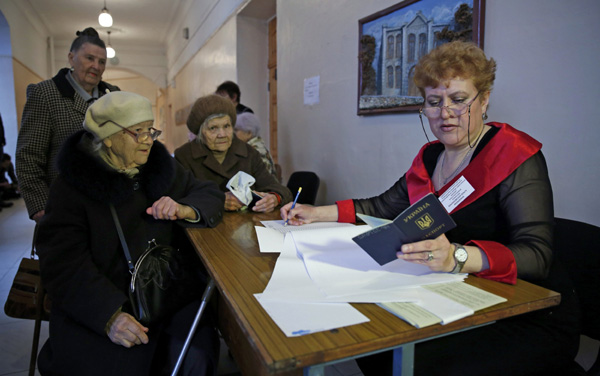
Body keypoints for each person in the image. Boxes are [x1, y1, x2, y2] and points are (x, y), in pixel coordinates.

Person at [281, 41, 582, 375]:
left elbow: (537, 255)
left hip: (526, 311)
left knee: (414, 360)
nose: (445, 112)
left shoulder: (515, 154)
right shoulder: (431, 156)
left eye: (458, 99)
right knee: (377, 343)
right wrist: (314, 212)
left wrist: (457, 257)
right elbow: (381, 205)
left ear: (484, 100)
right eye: (434, 102)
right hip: (459, 293)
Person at [36, 92, 225, 376]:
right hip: (106, 302)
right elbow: (62, 264)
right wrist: (109, 316)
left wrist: (184, 208)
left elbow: (207, 192)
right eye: (139, 132)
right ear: (109, 136)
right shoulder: (71, 188)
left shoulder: (160, 166)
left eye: (151, 129)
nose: (149, 139)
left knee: (195, 358)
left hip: (166, 293)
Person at [16, 27, 119, 223]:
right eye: (89, 58)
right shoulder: (45, 94)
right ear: (72, 58)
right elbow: (28, 157)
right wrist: (42, 209)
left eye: (102, 61)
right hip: (63, 209)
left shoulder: (114, 96)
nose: (96, 66)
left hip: (108, 207)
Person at [175, 94, 292, 213]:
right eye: (213, 128)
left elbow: (278, 189)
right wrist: (218, 200)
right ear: (200, 132)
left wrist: (274, 198)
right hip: (202, 227)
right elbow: (177, 198)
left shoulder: (249, 153)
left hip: (245, 226)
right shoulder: (185, 156)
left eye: (227, 126)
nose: (222, 134)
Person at [234, 112, 278, 180]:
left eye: (236, 130)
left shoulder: (255, 151)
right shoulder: (255, 147)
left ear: (249, 133)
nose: (233, 134)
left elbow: (263, 180)